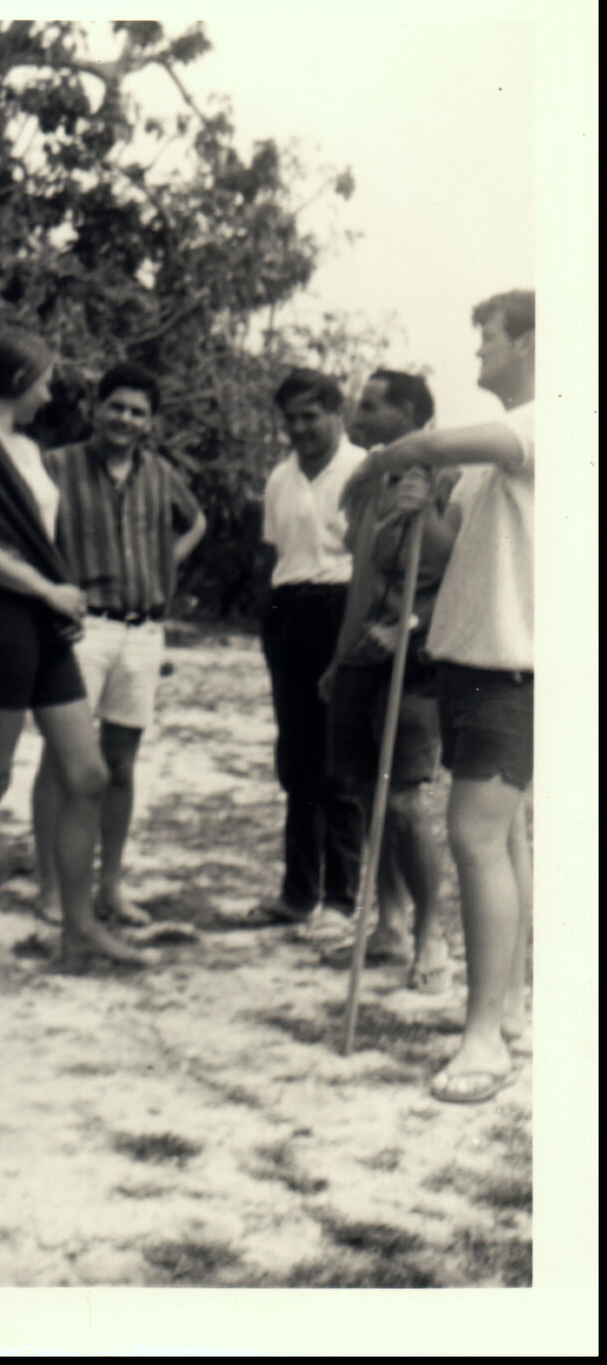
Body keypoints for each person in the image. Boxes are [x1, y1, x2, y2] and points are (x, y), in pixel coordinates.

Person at [340, 290, 535, 1104]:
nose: (479, 351)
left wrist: (376, 464)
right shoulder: (502, 450)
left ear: (529, 343)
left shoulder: (545, 422)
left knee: (475, 836)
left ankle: (483, 1041)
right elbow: (459, 553)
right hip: (469, 657)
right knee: (505, 837)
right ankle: (512, 1007)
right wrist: (425, 513)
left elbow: (427, 440)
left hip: (515, 667)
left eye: (489, 337)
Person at [0, 332, 150, 972]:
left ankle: (79, 929)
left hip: (44, 622)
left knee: (87, 774)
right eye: (45, 381)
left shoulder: (27, 448)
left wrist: (54, 596)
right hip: (0, 618)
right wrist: (47, 588)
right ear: (19, 379)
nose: (50, 395)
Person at [31, 363, 207, 927]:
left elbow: (196, 522)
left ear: (150, 422)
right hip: (82, 629)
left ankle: (109, 885)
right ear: (95, 408)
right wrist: (52, 589)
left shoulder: (159, 472)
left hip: (143, 631)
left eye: (138, 412)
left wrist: (164, 565)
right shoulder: (55, 466)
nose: (125, 420)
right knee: (61, 759)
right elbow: (26, 534)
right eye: (117, 407)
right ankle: (51, 887)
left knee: (121, 766)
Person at [320, 370, 459, 993]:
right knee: (364, 791)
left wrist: (409, 627)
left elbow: (459, 575)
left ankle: (432, 936)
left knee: (402, 800)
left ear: (407, 412)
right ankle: (391, 925)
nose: (358, 414)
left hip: (417, 663)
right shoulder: (370, 478)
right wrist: (340, 657)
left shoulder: (450, 477)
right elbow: (362, 578)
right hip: (360, 657)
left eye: (372, 406)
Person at [254, 369, 366, 931]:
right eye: (290, 419)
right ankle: (298, 893)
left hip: (341, 608)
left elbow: (372, 561)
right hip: (288, 611)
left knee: (338, 760)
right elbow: (277, 553)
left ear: (336, 413)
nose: (299, 429)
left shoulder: (364, 470)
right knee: (297, 759)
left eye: (310, 416)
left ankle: (341, 900)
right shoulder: (280, 477)